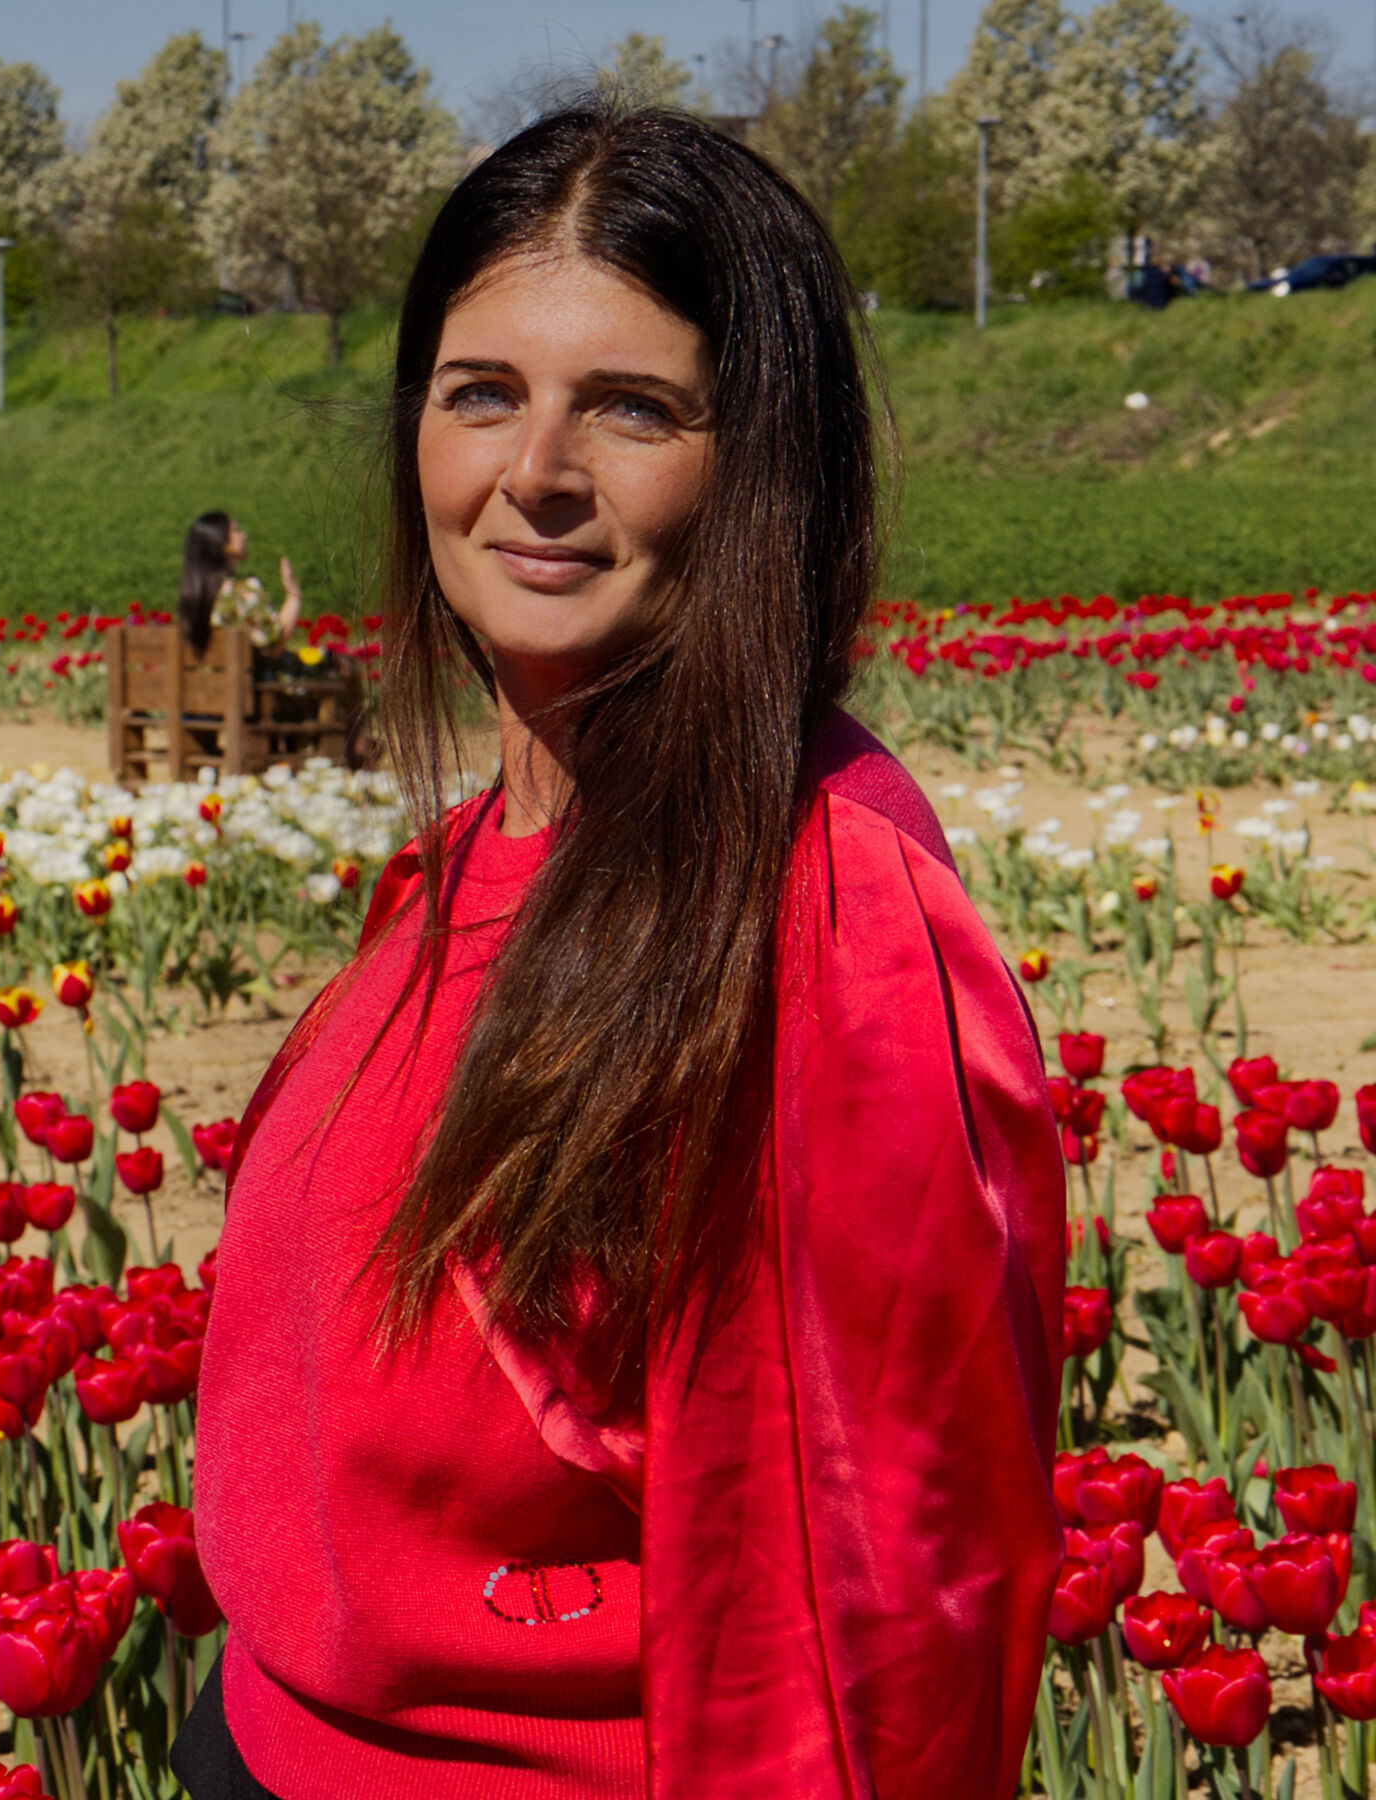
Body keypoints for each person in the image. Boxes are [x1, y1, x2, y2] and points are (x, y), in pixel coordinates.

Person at [182, 101, 1064, 1800]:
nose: (538, 474)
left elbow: (874, 1627)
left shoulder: (817, 916)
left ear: (761, 464)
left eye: (635, 410)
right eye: (482, 393)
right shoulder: (463, 868)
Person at [179, 511, 302, 656]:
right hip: (245, 677)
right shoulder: (242, 593)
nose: (244, 535)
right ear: (222, 542)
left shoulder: (193, 595)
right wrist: (293, 595)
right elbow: (273, 648)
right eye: (236, 531)